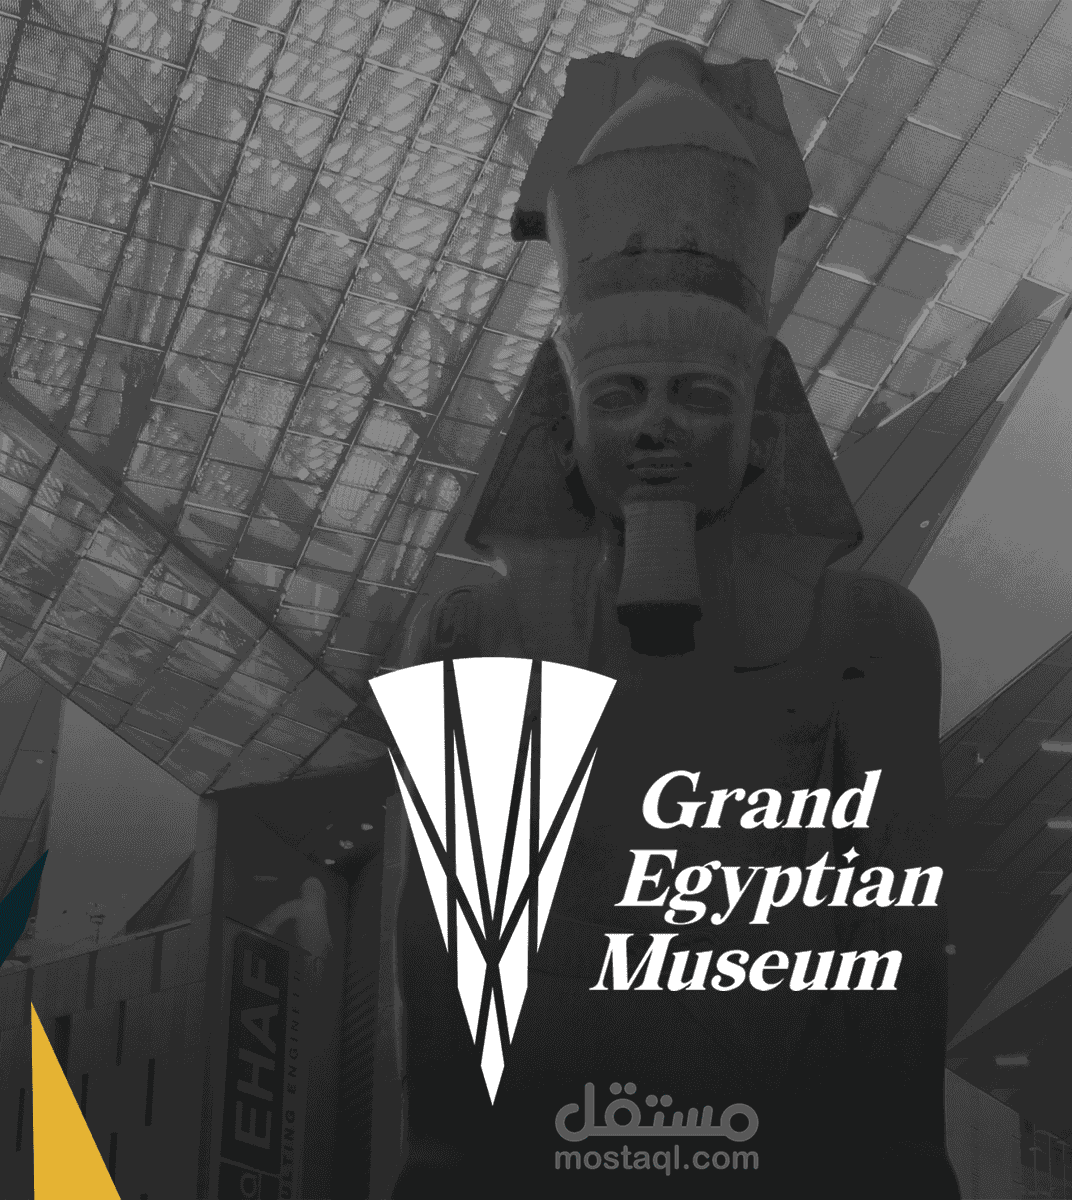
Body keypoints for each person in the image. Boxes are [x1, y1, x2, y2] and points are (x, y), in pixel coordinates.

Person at [378, 39, 961, 1197]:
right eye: (618, 398)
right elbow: (448, 937)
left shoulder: (868, 634)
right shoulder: (475, 634)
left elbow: (894, 929)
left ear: (761, 436)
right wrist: (441, 1149)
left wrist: (907, 1152)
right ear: (562, 439)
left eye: (697, 396)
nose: (655, 429)